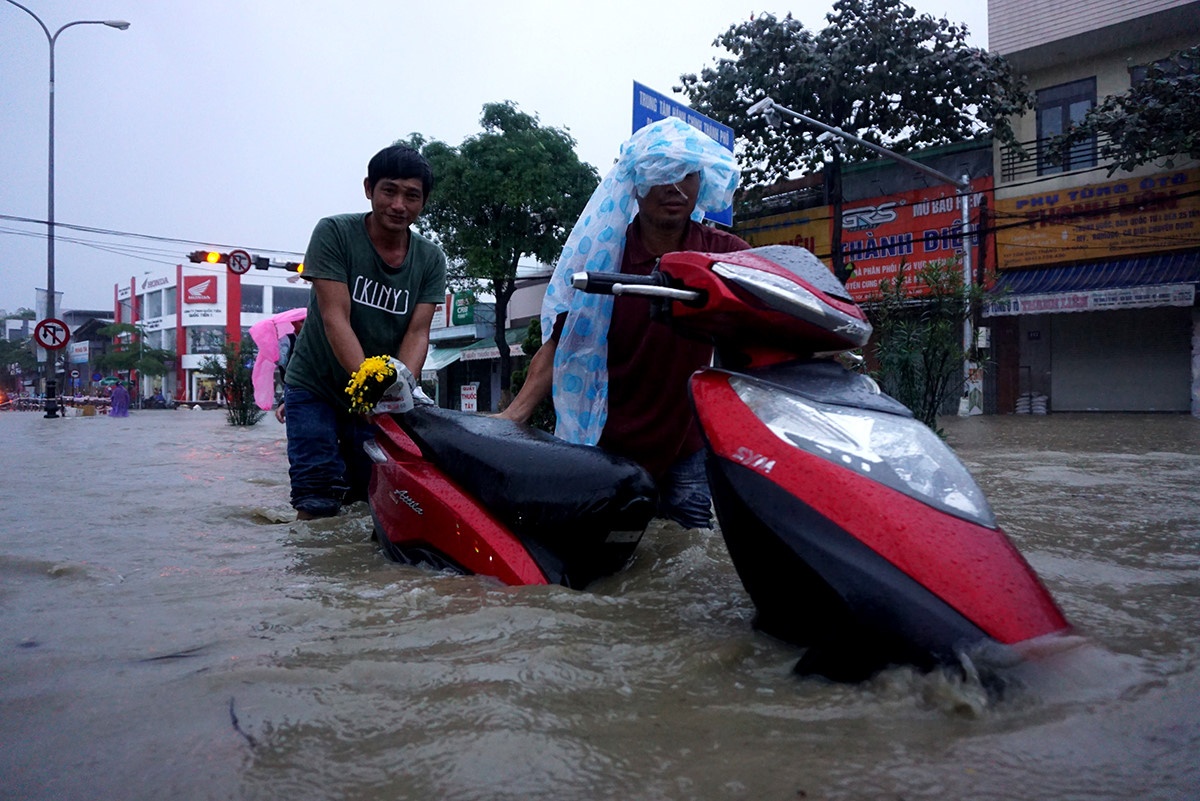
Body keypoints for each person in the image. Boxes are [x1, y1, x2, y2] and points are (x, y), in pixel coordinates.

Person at [498, 118, 749, 529]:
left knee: (692, 557)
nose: (675, 186)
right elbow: (561, 347)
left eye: (686, 173)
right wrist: (515, 415)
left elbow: (778, 302)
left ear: (701, 181)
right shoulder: (600, 259)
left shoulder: (723, 255)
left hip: (686, 447)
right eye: (661, 173)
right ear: (634, 183)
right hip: (607, 447)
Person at [283, 145, 447, 520]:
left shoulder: (430, 259)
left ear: (423, 202)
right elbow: (334, 316)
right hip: (316, 386)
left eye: (412, 195)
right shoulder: (334, 233)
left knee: (368, 499)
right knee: (317, 494)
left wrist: (394, 392)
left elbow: (417, 333)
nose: (399, 205)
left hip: (379, 398)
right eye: (389, 190)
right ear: (368, 188)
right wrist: (367, 388)